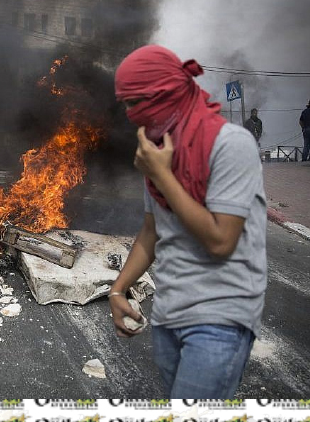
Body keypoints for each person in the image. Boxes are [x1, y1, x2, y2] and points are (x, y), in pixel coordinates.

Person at [109, 45, 267, 398]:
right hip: (169, 314)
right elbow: (151, 232)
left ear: (165, 93)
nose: (131, 114)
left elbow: (220, 240)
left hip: (221, 315)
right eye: (126, 105)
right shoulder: (158, 150)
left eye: (136, 102)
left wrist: (162, 175)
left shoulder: (231, 145)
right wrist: (118, 289)